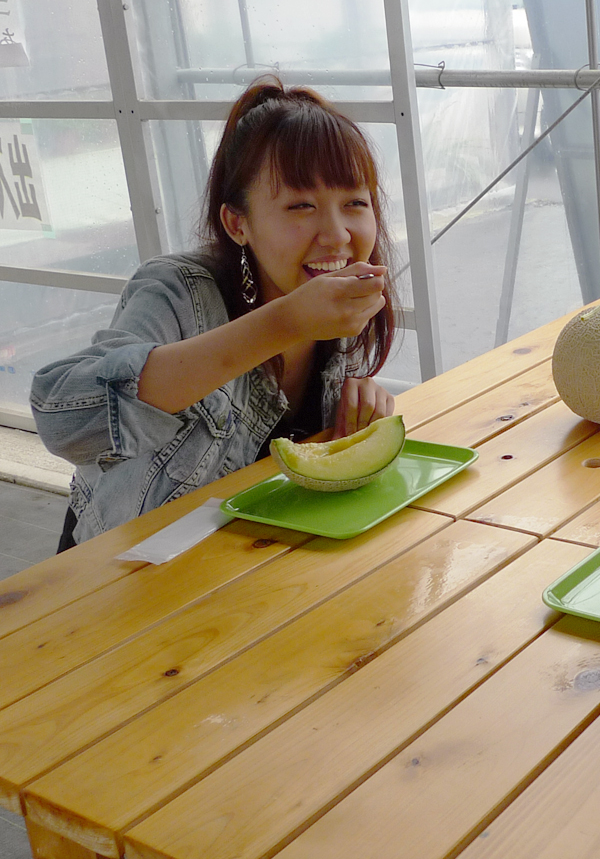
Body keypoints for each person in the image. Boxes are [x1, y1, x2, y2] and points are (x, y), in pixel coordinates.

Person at [31, 75, 400, 550]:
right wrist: (285, 322)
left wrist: (359, 404)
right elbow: (64, 419)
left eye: (354, 202)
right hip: (121, 578)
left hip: (245, 572)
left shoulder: (338, 305)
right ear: (237, 223)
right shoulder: (176, 291)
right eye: (301, 205)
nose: (337, 235)